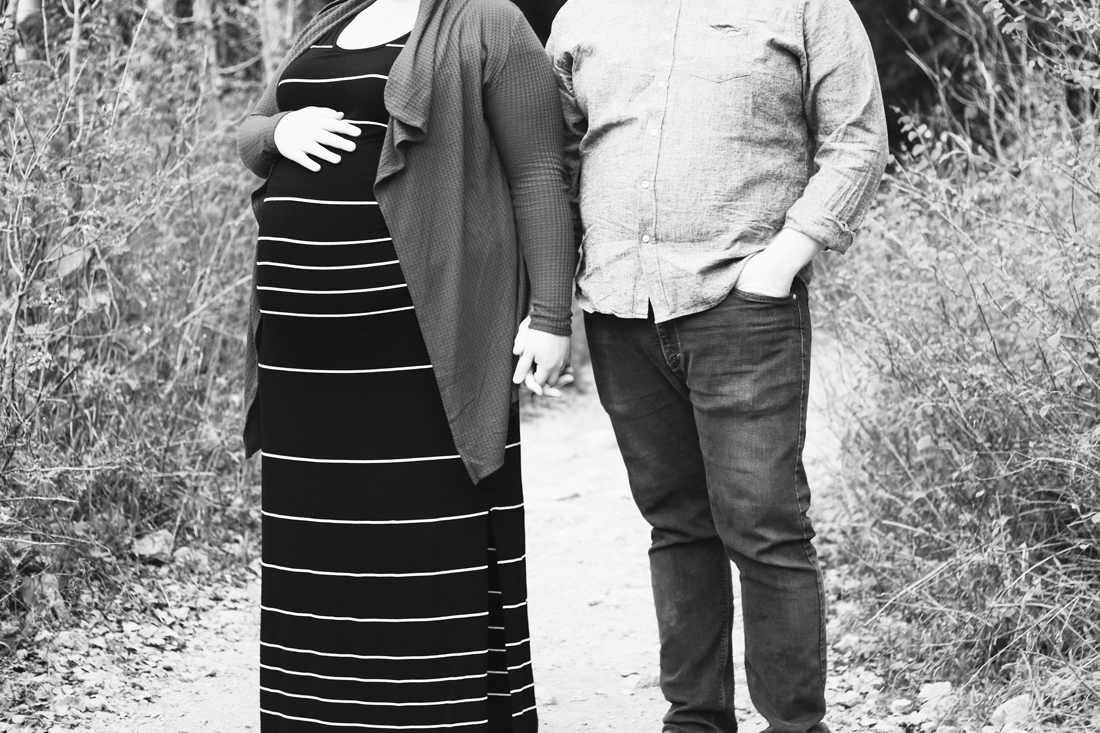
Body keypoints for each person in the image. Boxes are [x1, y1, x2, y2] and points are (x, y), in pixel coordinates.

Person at [548, 2, 889, 732]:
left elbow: (858, 140)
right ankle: (695, 718)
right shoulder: (583, 14)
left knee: (764, 524)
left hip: (743, 303)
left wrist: (782, 260)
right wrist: (550, 297)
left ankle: (794, 724)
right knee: (675, 524)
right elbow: (556, 157)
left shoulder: (808, 7)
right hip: (619, 306)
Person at [236, 0, 575, 729]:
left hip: (417, 339)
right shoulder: (333, 20)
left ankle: (436, 714)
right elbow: (251, 130)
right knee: (319, 541)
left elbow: (539, 171)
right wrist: (280, 131)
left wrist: (551, 315)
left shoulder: (490, 22)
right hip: (302, 356)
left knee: (424, 533)